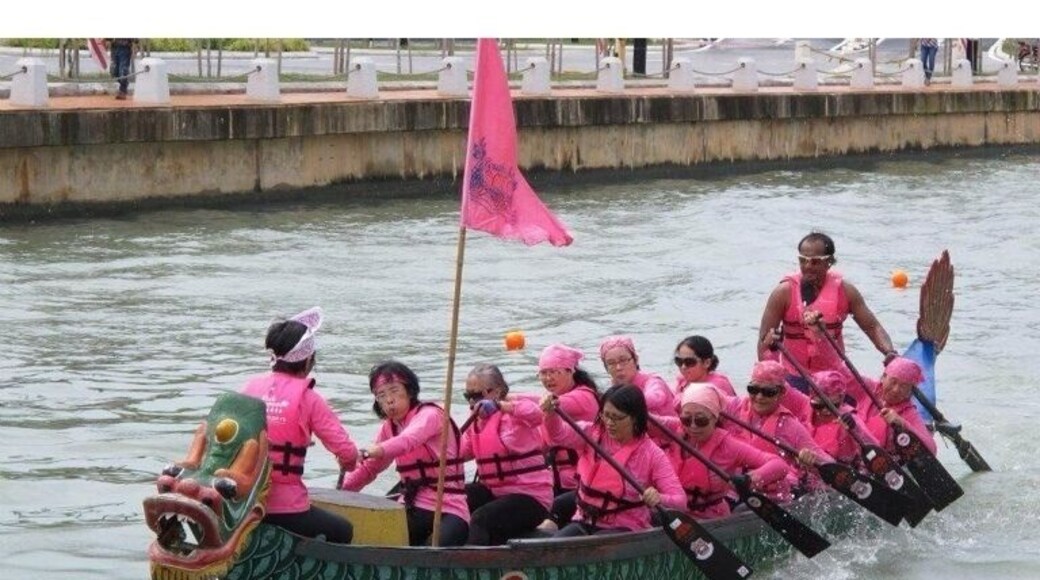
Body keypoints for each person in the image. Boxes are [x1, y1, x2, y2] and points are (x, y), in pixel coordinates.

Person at [240, 307, 358, 543]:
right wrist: (349, 462)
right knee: (343, 530)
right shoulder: (309, 398)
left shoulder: (249, 388)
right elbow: (347, 452)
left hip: (243, 502)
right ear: (307, 361)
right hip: (285, 509)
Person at [340, 361, 470, 546]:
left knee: (433, 550)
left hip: (448, 508)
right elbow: (368, 470)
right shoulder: (389, 428)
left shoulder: (430, 415)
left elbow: (408, 440)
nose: (389, 400)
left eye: (394, 391)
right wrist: (338, 494)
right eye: (381, 395)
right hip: (410, 506)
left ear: (409, 391)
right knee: (372, 539)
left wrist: (370, 451)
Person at [758, 231, 898, 392]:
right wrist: (768, 382)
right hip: (794, 375)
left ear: (829, 262)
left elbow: (873, 327)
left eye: (815, 262)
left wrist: (889, 353)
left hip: (834, 375)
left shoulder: (846, 292)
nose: (807, 266)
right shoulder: (783, 293)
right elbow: (763, 341)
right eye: (803, 260)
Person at [540, 384, 685, 537]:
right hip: (584, 520)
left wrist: (659, 498)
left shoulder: (652, 454)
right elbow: (558, 435)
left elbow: (680, 501)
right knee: (555, 545)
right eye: (606, 415)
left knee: (597, 545)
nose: (609, 423)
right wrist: (551, 414)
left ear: (635, 418)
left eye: (617, 418)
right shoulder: (590, 434)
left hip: (625, 528)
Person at [652, 384, 787, 519]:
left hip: (710, 518)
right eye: (686, 419)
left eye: (701, 420)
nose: (693, 426)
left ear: (715, 418)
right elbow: (646, 419)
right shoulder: (675, 429)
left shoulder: (728, 446)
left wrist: (749, 479)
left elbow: (779, 464)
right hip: (672, 512)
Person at [460, 364, 553, 545]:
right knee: (455, 499)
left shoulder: (516, 413)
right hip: (495, 492)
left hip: (531, 496)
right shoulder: (476, 422)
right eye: (467, 396)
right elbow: (461, 453)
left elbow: (536, 414)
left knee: (480, 519)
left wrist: (500, 406)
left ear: (497, 391)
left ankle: (474, 559)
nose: (472, 402)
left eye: (477, 395)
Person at [723, 361, 832, 501]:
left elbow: (826, 463)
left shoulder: (790, 426)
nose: (759, 397)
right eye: (753, 389)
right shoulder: (733, 407)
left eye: (768, 392)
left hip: (770, 497)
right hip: (732, 490)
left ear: (782, 393)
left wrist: (810, 460)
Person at [533, 343, 600, 529]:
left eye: (554, 372)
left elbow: (550, 404)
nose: (548, 378)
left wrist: (509, 401)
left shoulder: (583, 397)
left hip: (584, 483)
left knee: (555, 507)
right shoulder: (548, 406)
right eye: (543, 373)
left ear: (570, 371)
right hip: (556, 481)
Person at [599, 335, 677, 441]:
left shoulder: (653, 382)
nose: (618, 367)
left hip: (669, 441)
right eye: (611, 363)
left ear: (636, 359)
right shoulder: (612, 389)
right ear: (606, 367)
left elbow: (657, 397)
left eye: (623, 360)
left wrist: (623, 403)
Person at [797, 369, 880, 469]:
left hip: (846, 471)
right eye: (819, 405)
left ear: (841, 398)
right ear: (811, 398)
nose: (825, 410)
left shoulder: (850, 419)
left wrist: (855, 428)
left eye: (832, 405)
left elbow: (875, 448)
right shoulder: (803, 407)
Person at [862, 357, 938, 456]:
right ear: (883, 377)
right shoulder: (866, 387)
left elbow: (932, 450)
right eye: (893, 382)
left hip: (878, 458)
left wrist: (902, 423)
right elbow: (843, 373)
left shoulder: (909, 413)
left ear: (910, 391)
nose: (896, 390)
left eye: (904, 386)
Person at [673, 335, 737, 406]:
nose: (683, 367)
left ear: (707, 363)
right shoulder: (683, 381)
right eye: (679, 361)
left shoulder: (717, 385)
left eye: (689, 362)